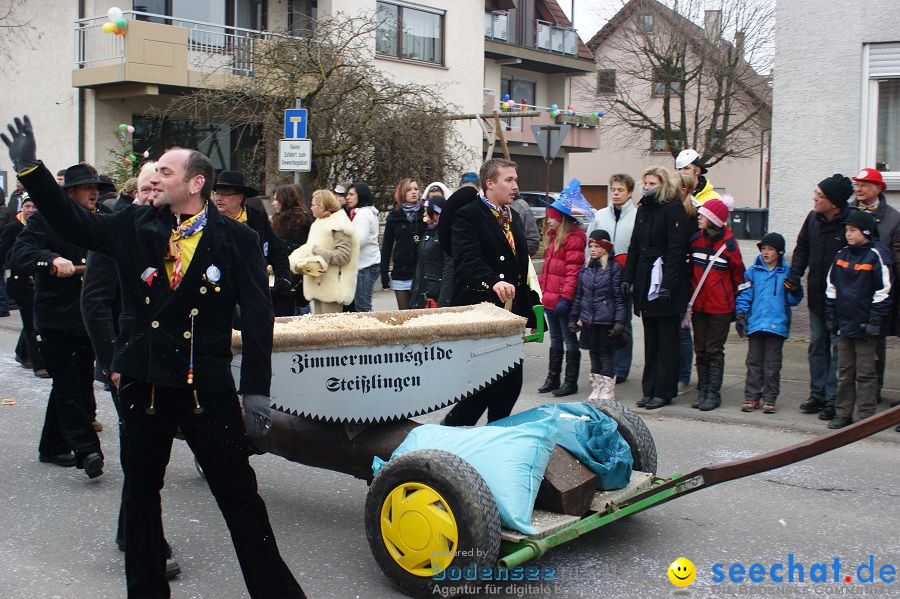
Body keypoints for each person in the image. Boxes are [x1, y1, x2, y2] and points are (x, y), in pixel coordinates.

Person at [4, 116, 306, 598]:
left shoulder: (238, 240)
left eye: (165, 171)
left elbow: (256, 317)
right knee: (142, 498)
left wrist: (256, 391)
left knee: (242, 501)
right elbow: (71, 222)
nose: (153, 178)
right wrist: (30, 170)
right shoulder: (133, 224)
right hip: (144, 385)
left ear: (196, 183)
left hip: (206, 389)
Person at [7, 162, 104, 476]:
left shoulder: (100, 219)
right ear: (70, 192)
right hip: (55, 318)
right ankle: (87, 449)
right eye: (88, 187)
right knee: (67, 386)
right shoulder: (46, 220)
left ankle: (52, 446)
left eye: (97, 187)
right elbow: (18, 254)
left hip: (88, 317)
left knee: (77, 381)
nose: (94, 192)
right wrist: (50, 259)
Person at [438, 158, 538, 425]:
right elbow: (466, 259)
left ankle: (496, 435)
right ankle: (450, 436)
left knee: (510, 383)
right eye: (509, 180)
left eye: (515, 179)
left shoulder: (513, 217)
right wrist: (492, 281)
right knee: (481, 387)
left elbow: (521, 269)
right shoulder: (468, 214)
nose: (515, 185)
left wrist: (529, 312)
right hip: (480, 309)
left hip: (509, 314)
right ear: (490, 183)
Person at [622, 167, 688, 410]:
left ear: (663, 185)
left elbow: (676, 250)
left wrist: (668, 285)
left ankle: (664, 390)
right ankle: (649, 388)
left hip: (665, 280)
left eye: (652, 183)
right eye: (645, 182)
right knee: (651, 339)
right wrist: (627, 277)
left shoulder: (673, 209)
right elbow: (634, 246)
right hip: (646, 278)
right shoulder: (644, 209)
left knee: (667, 340)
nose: (647, 186)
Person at [788, 174, 853, 422]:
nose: (815, 199)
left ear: (835, 203)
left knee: (838, 350)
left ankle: (833, 399)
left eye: (820, 196)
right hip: (816, 296)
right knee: (817, 346)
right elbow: (802, 247)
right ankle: (817, 394)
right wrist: (794, 276)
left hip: (840, 301)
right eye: (815, 193)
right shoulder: (813, 219)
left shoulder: (850, 224)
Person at [825, 210, 893, 429]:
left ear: (865, 231)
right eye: (846, 230)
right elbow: (831, 286)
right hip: (845, 323)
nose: (848, 234)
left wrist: (875, 320)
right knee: (844, 372)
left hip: (865, 326)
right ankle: (843, 413)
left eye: (852, 230)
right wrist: (831, 314)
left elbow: (884, 290)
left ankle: (865, 417)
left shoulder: (877, 254)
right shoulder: (842, 254)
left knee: (865, 373)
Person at [735, 233, 803, 414]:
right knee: (753, 362)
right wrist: (741, 314)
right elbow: (745, 294)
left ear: (779, 252)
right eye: (763, 249)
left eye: (770, 249)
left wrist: (795, 290)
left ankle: (770, 398)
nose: (766, 253)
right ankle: (751, 397)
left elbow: (793, 300)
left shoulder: (786, 272)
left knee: (772, 365)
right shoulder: (752, 271)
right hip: (756, 323)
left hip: (776, 325)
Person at [688, 197, 745, 411]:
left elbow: (739, 277)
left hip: (720, 307)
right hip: (699, 305)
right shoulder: (695, 240)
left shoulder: (730, 245)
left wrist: (738, 309)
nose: (699, 218)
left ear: (714, 220)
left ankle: (713, 393)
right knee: (700, 349)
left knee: (714, 350)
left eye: (703, 215)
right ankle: (703, 390)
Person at [849, 168, 900, 401]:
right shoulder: (848, 213)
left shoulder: (892, 217)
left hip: (878, 291)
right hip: (850, 290)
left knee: (875, 344)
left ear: (879, 188)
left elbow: (896, 255)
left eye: (865, 185)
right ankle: (845, 397)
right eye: (857, 184)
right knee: (844, 348)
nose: (859, 189)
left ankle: (872, 393)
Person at [212, 170, 293, 316]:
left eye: (225, 194)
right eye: (217, 193)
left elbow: (277, 248)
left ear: (240, 197)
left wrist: (283, 277)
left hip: (252, 294)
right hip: (219, 295)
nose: (219, 198)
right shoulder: (209, 222)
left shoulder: (257, 219)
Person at [587, 173, 637, 383]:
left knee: (623, 322)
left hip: (624, 274)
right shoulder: (600, 216)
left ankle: (621, 367)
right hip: (601, 274)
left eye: (620, 190)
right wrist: (588, 270)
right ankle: (603, 365)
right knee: (601, 321)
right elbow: (588, 243)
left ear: (630, 193)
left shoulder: (636, 216)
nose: (616, 194)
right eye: (613, 190)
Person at [537, 195, 587, 397]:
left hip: (562, 299)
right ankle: (553, 377)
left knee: (569, 339)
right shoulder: (553, 236)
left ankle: (570, 381)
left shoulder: (573, 239)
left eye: (552, 216)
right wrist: (540, 292)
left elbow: (572, 273)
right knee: (555, 339)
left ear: (562, 218)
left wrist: (566, 298)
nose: (548, 220)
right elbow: (548, 271)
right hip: (550, 298)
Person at [569, 229, 626, 401]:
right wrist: (573, 318)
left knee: (605, 354)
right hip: (589, 320)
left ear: (605, 248)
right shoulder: (585, 269)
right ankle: (597, 386)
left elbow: (618, 297)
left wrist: (620, 321)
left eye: (597, 246)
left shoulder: (613, 268)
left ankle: (608, 389)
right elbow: (579, 296)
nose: (593, 249)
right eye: (591, 246)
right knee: (593, 353)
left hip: (606, 320)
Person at [0, 193, 48, 377]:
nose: (30, 210)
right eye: (27, 206)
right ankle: (39, 365)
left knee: (36, 321)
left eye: (34, 207)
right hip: (22, 284)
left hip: (41, 281)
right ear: (22, 208)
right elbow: (4, 252)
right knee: (31, 324)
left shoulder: (43, 226)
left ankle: (22, 353)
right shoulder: (13, 227)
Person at [289, 189, 359, 314]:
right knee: (319, 328)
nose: (311, 208)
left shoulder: (339, 225)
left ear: (323, 206)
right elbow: (309, 247)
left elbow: (344, 256)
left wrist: (317, 251)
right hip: (318, 285)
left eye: (314, 205)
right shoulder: (318, 223)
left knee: (331, 330)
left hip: (333, 289)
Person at [381, 178, 423, 309]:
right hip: (401, 272)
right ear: (402, 193)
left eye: (416, 189)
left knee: (420, 316)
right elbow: (387, 246)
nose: (413, 192)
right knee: (405, 314)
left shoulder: (425, 213)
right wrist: (384, 273)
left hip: (421, 271)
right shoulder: (394, 216)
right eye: (409, 189)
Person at [676, 171, 700, 396]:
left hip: (686, 278)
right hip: (673, 276)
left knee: (683, 329)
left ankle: (683, 375)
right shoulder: (675, 210)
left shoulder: (693, 215)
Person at [271, 183, 312, 315]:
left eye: (276, 199)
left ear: (284, 200)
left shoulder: (298, 219)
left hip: (295, 275)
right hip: (284, 272)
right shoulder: (280, 218)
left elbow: (300, 246)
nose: (273, 203)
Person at [410, 185, 454, 308]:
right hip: (423, 293)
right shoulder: (428, 232)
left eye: (426, 210)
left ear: (436, 213)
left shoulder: (446, 234)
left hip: (436, 294)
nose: (424, 213)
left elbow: (449, 269)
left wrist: (443, 301)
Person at [346, 182, 380, 312]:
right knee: (361, 306)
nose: (348, 197)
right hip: (365, 265)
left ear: (361, 195)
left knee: (363, 308)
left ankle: (369, 332)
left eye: (351, 194)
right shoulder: (363, 213)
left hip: (366, 266)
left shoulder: (363, 214)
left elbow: (359, 240)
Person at [510, 192, 541, 257]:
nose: (515, 186)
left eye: (514, 181)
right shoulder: (486, 208)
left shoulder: (521, 208)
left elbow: (533, 241)